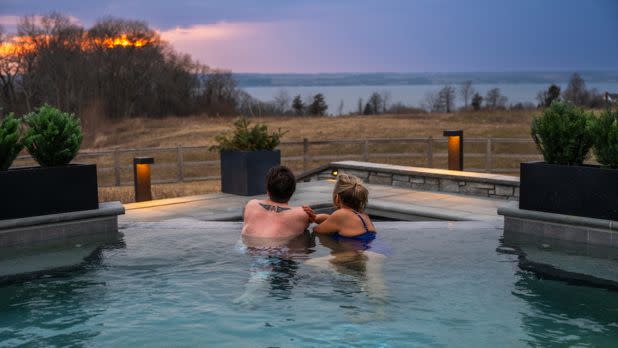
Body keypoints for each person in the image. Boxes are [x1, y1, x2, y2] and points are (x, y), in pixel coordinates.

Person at [242, 165, 310, 238]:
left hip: (246, 246)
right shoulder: (301, 214)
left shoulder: (251, 205)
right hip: (278, 247)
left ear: (267, 189)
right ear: (293, 191)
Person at [304, 173, 377, 241]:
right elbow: (332, 220)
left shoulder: (340, 215)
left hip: (352, 252)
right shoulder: (363, 215)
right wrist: (315, 218)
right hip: (373, 251)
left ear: (337, 198)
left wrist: (307, 220)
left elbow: (317, 230)